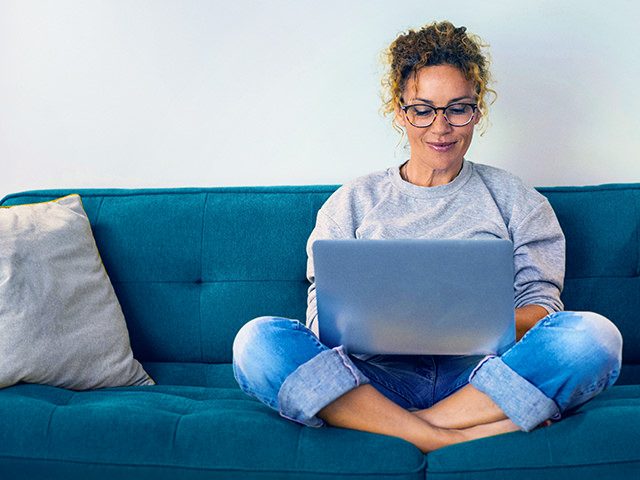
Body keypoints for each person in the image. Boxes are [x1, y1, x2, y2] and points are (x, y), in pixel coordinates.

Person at [231, 20, 623, 453]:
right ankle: (444, 435)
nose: (442, 127)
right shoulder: (352, 202)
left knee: (595, 336)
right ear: (400, 111)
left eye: (458, 108)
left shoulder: (517, 200)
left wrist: (462, 326)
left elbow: (543, 309)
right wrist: (385, 328)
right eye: (423, 109)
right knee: (256, 341)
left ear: (477, 111)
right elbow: (320, 323)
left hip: (483, 378)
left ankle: (407, 428)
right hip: (374, 379)